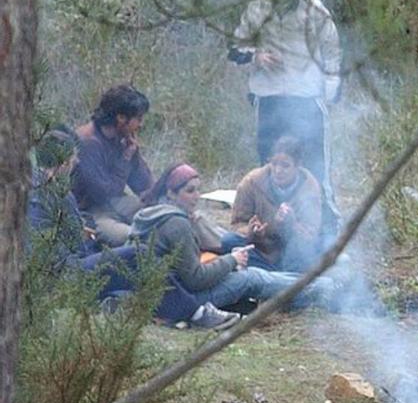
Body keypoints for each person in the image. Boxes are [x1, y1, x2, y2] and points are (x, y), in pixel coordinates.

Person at [29, 126, 238, 330]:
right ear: (64, 161)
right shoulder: (42, 194)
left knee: (136, 255)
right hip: (61, 278)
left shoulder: (44, 188)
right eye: (74, 158)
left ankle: (122, 303)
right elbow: (41, 251)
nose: (77, 162)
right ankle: (196, 313)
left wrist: (86, 236)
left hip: (69, 267)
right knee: (138, 255)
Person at [129, 163, 341, 312]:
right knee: (253, 278)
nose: (197, 196)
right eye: (190, 191)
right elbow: (195, 279)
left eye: (198, 190)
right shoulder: (176, 223)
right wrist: (231, 261)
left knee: (256, 274)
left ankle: (318, 286)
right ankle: (320, 290)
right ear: (172, 193)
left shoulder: (151, 214)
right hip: (186, 299)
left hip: (166, 293)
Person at [229, 0, 341, 240]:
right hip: (269, 97)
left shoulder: (314, 10)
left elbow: (332, 50)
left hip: (306, 97)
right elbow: (235, 48)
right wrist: (256, 56)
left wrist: (330, 89)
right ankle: (271, 231)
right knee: (271, 166)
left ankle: (326, 231)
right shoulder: (257, 9)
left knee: (314, 166)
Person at [72, 84, 154, 247]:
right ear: (121, 118)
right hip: (88, 212)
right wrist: (125, 159)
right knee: (134, 238)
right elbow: (103, 194)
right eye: (138, 118)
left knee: (160, 218)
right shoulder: (88, 143)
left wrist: (163, 203)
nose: (141, 124)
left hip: (113, 203)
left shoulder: (123, 137)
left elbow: (143, 184)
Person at [225, 136, 323, 272]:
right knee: (228, 241)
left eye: (285, 166)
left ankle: (274, 275)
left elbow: (310, 236)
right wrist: (252, 231)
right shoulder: (252, 182)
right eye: (274, 163)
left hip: (290, 251)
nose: (278, 170)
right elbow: (237, 224)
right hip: (261, 249)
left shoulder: (309, 189)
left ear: (298, 165)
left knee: (313, 247)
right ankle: (281, 276)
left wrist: (291, 225)